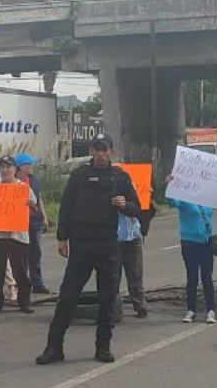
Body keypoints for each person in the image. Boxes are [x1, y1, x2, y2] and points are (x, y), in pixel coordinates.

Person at [35, 134, 141, 366]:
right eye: (97, 149)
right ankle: (54, 348)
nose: (101, 154)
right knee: (67, 297)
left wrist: (126, 205)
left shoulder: (120, 177)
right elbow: (66, 206)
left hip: (107, 245)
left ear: (111, 151)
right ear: (92, 150)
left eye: (105, 150)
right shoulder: (79, 175)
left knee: (107, 299)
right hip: (81, 244)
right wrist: (62, 238)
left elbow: (138, 209)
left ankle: (103, 347)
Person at [0, 155, 36, 314]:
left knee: (21, 271)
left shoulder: (23, 188)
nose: (5, 170)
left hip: (18, 236)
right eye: (2, 167)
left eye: (8, 167)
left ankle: (24, 301)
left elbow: (34, 211)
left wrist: (31, 206)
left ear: (15, 169)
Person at [165, 174, 217, 324]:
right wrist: (169, 186)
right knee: (192, 278)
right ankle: (191, 310)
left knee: (207, 278)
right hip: (189, 242)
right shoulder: (184, 199)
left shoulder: (208, 200)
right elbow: (171, 201)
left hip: (206, 242)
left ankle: (211, 310)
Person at [15, 152, 50, 294]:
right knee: (20, 254)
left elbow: (39, 198)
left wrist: (44, 216)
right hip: (18, 222)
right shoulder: (12, 181)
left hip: (34, 220)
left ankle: (37, 283)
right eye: (27, 164)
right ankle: (20, 284)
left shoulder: (34, 180)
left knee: (35, 253)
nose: (30, 166)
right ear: (20, 167)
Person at [117, 210, 148, 318]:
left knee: (136, 273)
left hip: (134, 236)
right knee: (113, 275)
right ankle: (112, 307)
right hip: (115, 237)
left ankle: (140, 305)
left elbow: (146, 210)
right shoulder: (107, 193)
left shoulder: (136, 194)